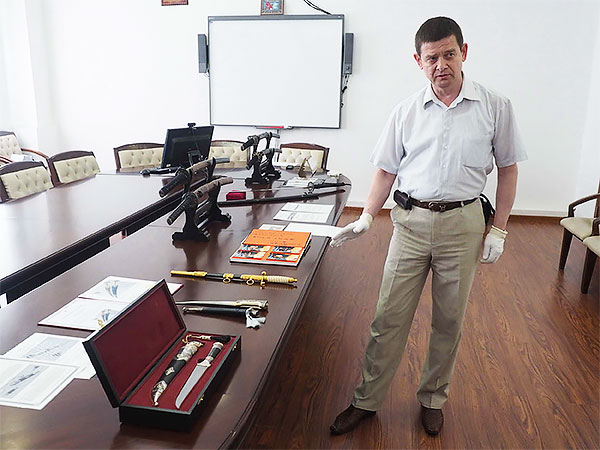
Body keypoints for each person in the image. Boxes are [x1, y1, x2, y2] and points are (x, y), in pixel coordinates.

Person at [329, 16, 527, 436]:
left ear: (464, 52)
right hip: (410, 224)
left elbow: (508, 169)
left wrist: (500, 229)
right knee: (388, 317)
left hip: (464, 224)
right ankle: (366, 400)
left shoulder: (496, 107)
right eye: (432, 58)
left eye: (449, 54)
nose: (441, 65)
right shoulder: (405, 112)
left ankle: (433, 399)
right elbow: (385, 170)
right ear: (418, 61)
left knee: (449, 321)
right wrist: (367, 215)